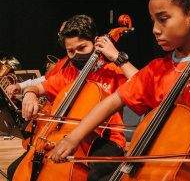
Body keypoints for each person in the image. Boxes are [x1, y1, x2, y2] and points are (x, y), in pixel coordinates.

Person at [47, 0, 190, 181]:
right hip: (165, 166)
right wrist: (74, 138)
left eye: (163, 19)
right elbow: (110, 103)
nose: (155, 30)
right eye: (153, 21)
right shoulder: (155, 71)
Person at [20, 14, 138, 181]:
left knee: (96, 177)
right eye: (71, 51)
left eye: (82, 48)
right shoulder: (68, 74)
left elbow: (143, 84)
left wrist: (117, 58)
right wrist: (29, 94)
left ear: (95, 42)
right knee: (17, 170)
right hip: (67, 135)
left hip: (106, 140)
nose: (76, 55)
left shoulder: (112, 71)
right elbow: (36, 88)